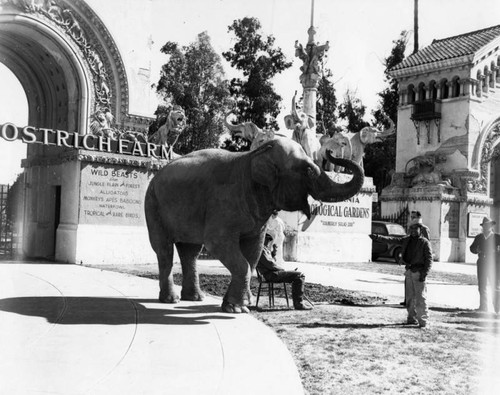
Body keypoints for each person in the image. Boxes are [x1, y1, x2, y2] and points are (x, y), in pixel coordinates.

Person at [371, 222, 433, 328]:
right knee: (409, 298)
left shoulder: (424, 242)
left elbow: (429, 259)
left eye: (415, 229)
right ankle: (411, 319)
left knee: (421, 298)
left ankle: (423, 321)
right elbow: (392, 240)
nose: (413, 231)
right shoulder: (406, 240)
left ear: (420, 230)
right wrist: (377, 237)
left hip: (419, 272)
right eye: (411, 229)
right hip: (409, 271)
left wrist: (424, 273)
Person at [257, 234, 312, 310]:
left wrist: (274, 253)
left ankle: (298, 303)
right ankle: (299, 303)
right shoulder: (261, 250)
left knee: (298, 276)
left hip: (272, 273)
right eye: (267, 240)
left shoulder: (265, 250)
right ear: (263, 240)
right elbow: (270, 265)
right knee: (300, 275)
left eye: (269, 241)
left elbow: (271, 262)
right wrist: (283, 270)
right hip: (271, 275)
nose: (268, 242)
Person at [469, 217, 500, 313]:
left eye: (488, 225)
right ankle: (483, 307)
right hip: (482, 262)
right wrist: (476, 250)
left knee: (495, 285)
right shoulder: (479, 237)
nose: (486, 227)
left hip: (494, 264)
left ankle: (497, 309)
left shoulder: (497, 237)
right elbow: (472, 248)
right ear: (482, 227)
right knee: (482, 285)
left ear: (491, 226)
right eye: (485, 225)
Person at [400, 211, 431, 306]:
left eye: (414, 216)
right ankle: (407, 300)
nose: (412, 218)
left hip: (419, 260)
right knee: (408, 283)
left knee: (419, 287)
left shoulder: (423, 228)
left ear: (418, 217)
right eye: (411, 216)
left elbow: (426, 242)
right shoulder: (412, 226)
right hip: (410, 263)